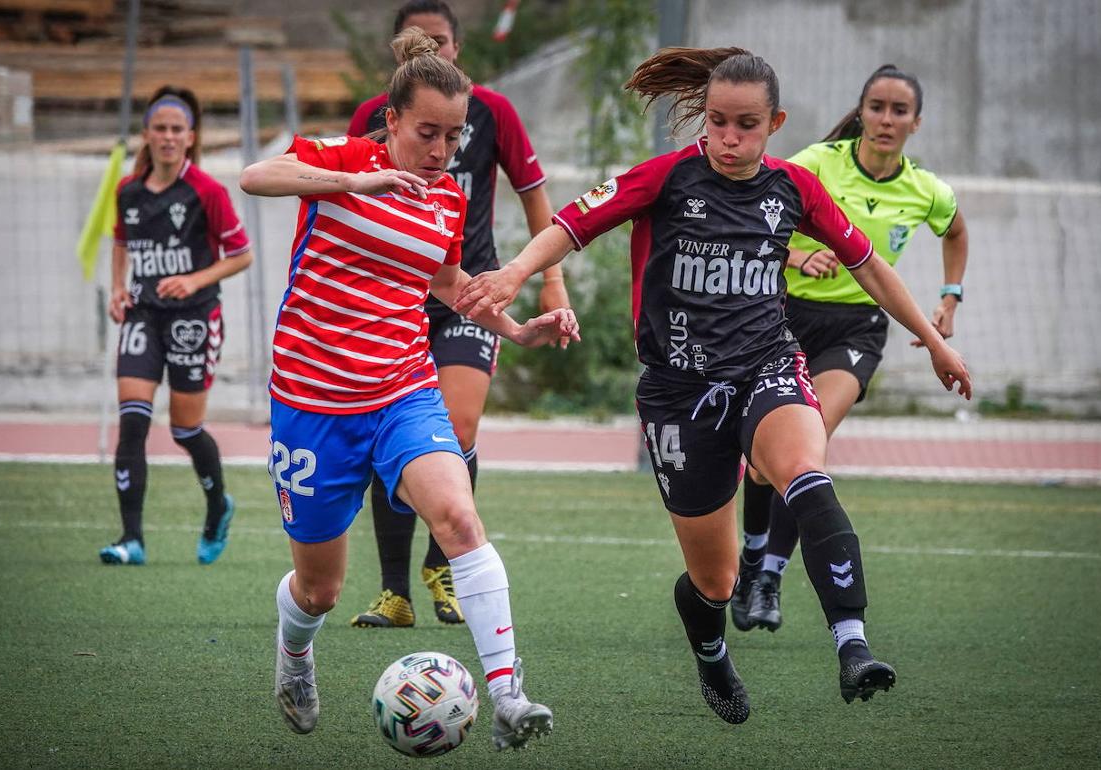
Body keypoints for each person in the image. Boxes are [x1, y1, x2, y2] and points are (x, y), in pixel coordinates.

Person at [454, 47, 972, 721]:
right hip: (676, 392)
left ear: (774, 123)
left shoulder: (794, 187)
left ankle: (853, 643)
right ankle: (710, 653)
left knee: (805, 470)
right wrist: (516, 272)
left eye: (746, 125)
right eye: (719, 122)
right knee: (714, 580)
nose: (729, 138)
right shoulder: (666, 178)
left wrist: (934, 342)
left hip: (767, 366)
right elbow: (570, 225)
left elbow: (870, 268)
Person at [239, 27, 574, 749]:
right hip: (313, 403)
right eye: (427, 132)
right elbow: (255, 177)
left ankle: (509, 693)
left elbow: (448, 284)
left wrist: (519, 332)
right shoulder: (344, 157)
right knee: (320, 589)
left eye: (453, 137)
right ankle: (295, 654)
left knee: (457, 516)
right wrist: (355, 182)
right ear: (391, 120)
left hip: (402, 390)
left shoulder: (447, 198)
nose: (440, 150)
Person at [345, 0, 571, 630]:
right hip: (395, 294)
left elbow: (535, 196)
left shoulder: (492, 113)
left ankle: (442, 561)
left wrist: (550, 282)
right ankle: (394, 592)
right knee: (389, 436)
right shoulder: (373, 120)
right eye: (418, 44)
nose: (432, 54)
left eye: (440, 42)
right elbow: (337, 194)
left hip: (468, 291)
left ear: (458, 47)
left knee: (460, 426)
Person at [732, 64, 969, 634]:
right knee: (763, 465)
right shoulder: (817, 162)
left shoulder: (926, 190)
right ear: (861, 112)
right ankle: (751, 555)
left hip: (857, 330)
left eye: (899, 111)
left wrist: (949, 299)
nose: (887, 119)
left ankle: (768, 576)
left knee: (804, 447)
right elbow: (751, 216)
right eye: (878, 107)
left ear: (916, 122)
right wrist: (793, 256)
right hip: (784, 319)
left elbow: (956, 231)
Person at [101, 85, 253, 567]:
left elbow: (241, 255)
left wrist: (193, 280)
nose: (168, 137)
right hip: (144, 314)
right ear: (146, 134)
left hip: (193, 320)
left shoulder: (207, 191)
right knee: (132, 423)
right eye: (160, 129)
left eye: (177, 130)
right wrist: (118, 288)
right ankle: (131, 539)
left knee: (185, 430)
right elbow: (121, 241)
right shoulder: (128, 190)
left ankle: (216, 507)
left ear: (190, 138)